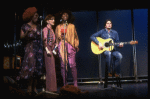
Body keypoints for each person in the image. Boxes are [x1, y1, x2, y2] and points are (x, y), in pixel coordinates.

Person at [17, 7, 43, 95]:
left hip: (38, 49)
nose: (37, 16)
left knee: (37, 69)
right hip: (30, 48)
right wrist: (27, 32)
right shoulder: (25, 26)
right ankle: (29, 87)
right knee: (31, 68)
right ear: (31, 16)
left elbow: (41, 37)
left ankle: (34, 88)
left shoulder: (39, 26)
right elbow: (21, 37)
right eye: (35, 15)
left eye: (37, 15)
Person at [55, 10, 79, 87]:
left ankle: (75, 83)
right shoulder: (58, 27)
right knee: (63, 65)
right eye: (63, 14)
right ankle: (65, 83)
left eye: (66, 14)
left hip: (70, 45)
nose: (65, 15)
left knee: (72, 65)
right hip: (61, 46)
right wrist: (56, 46)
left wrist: (75, 45)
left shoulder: (72, 26)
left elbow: (75, 37)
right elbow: (56, 38)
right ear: (61, 16)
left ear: (68, 16)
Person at [42, 14, 57, 92]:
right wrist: (47, 49)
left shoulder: (52, 30)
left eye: (54, 19)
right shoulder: (45, 29)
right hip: (47, 49)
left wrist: (55, 48)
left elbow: (53, 42)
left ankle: (52, 88)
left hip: (51, 49)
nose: (53, 21)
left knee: (52, 69)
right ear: (47, 21)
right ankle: (49, 88)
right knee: (49, 69)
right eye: (51, 19)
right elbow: (44, 40)